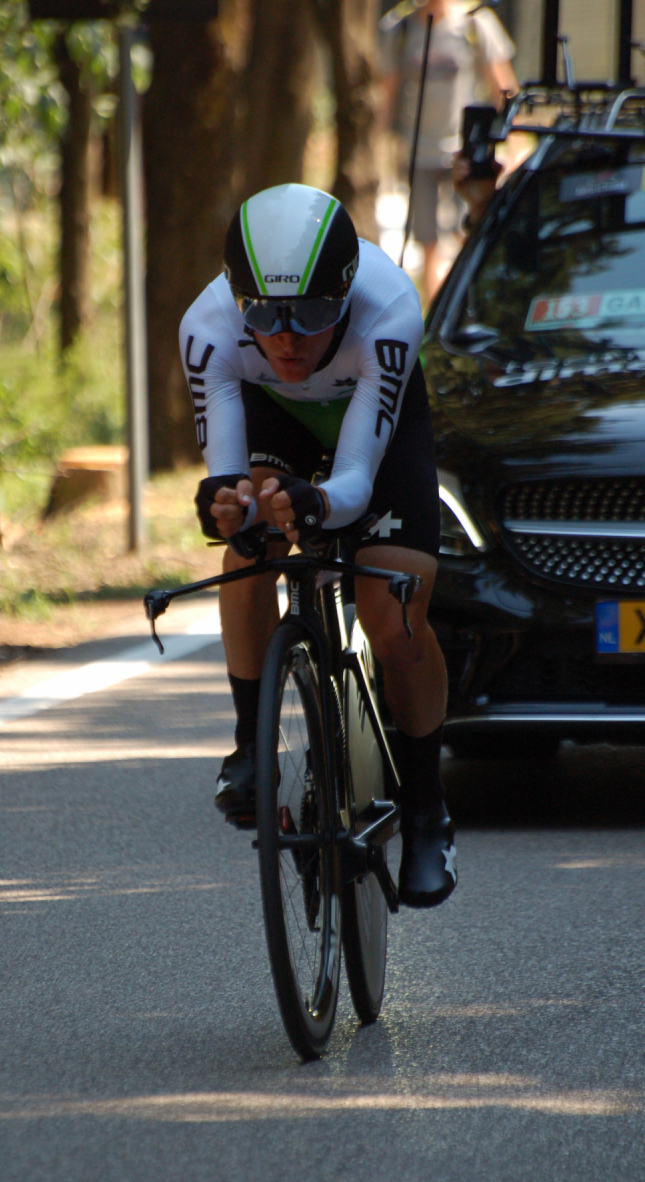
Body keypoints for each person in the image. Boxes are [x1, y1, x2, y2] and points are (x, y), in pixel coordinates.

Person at [179, 182, 455, 909]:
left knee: (393, 615)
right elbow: (229, 481)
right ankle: (251, 747)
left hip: (376, 434)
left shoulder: (389, 309)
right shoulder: (207, 326)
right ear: (238, 298)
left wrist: (320, 502)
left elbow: (357, 481)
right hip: (278, 421)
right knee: (248, 552)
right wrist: (228, 506)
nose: (287, 338)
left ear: (346, 291)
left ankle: (427, 810)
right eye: (264, 315)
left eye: (312, 313)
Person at [381, 0, 518, 300]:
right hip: (417, 152)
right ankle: (438, 309)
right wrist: (383, 146)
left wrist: (511, 144)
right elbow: (386, 93)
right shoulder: (399, 27)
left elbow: (503, 86)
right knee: (428, 243)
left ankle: (468, 301)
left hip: (463, 153)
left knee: (467, 232)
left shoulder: (475, 22)